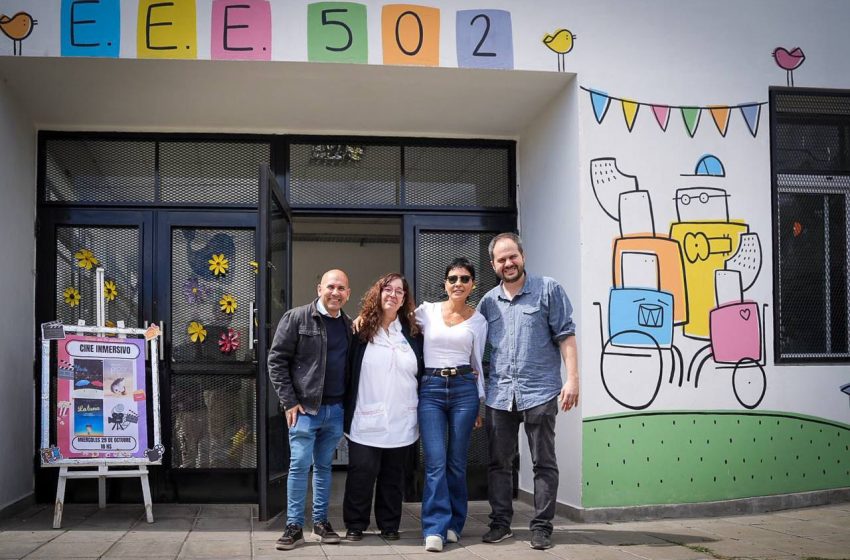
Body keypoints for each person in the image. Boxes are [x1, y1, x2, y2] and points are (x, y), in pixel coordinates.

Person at [477, 233, 580, 551]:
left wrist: (573, 379)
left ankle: (542, 527)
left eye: (512, 257)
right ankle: (500, 524)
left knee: (543, 462)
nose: (508, 263)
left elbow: (566, 335)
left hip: (540, 391)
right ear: (493, 265)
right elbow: (481, 354)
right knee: (499, 463)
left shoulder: (548, 289)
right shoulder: (487, 302)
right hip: (499, 395)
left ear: (522, 256)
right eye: (501, 259)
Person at [267, 269, 352, 551]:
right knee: (300, 465)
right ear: (319, 289)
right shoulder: (296, 317)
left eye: (341, 288)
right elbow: (276, 361)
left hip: (335, 409)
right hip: (304, 409)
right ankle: (293, 526)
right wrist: (289, 401)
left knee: (325, 467)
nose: (335, 292)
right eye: (330, 287)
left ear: (347, 294)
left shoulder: (348, 326)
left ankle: (320, 522)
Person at [343, 273, 424, 542]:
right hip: (366, 417)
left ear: (404, 299)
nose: (393, 295)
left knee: (393, 476)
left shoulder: (413, 333)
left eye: (399, 291)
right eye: (387, 289)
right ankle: (356, 524)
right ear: (377, 294)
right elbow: (347, 372)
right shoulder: (360, 331)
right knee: (361, 474)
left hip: (403, 417)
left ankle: (390, 524)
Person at [415, 258, 487, 552]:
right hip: (430, 390)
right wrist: (361, 319)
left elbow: (477, 363)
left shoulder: (478, 321)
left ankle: (455, 523)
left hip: (463, 390)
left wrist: (479, 403)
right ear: (445, 283)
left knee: (456, 462)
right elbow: (392, 320)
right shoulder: (426, 311)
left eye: (465, 278)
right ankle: (434, 527)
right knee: (435, 462)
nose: (458, 283)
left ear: (472, 285)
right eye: (453, 278)